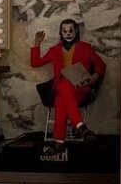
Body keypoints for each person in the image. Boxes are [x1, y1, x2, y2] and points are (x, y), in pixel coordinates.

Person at [31, 18, 106, 155]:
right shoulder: (54, 50)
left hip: (80, 89)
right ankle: (77, 130)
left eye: (71, 30)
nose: (68, 33)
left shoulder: (85, 47)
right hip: (63, 89)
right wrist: (37, 42)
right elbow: (35, 63)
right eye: (65, 31)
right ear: (61, 32)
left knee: (60, 95)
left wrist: (94, 76)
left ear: (76, 31)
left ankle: (60, 141)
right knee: (61, 94)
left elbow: (101, 65)